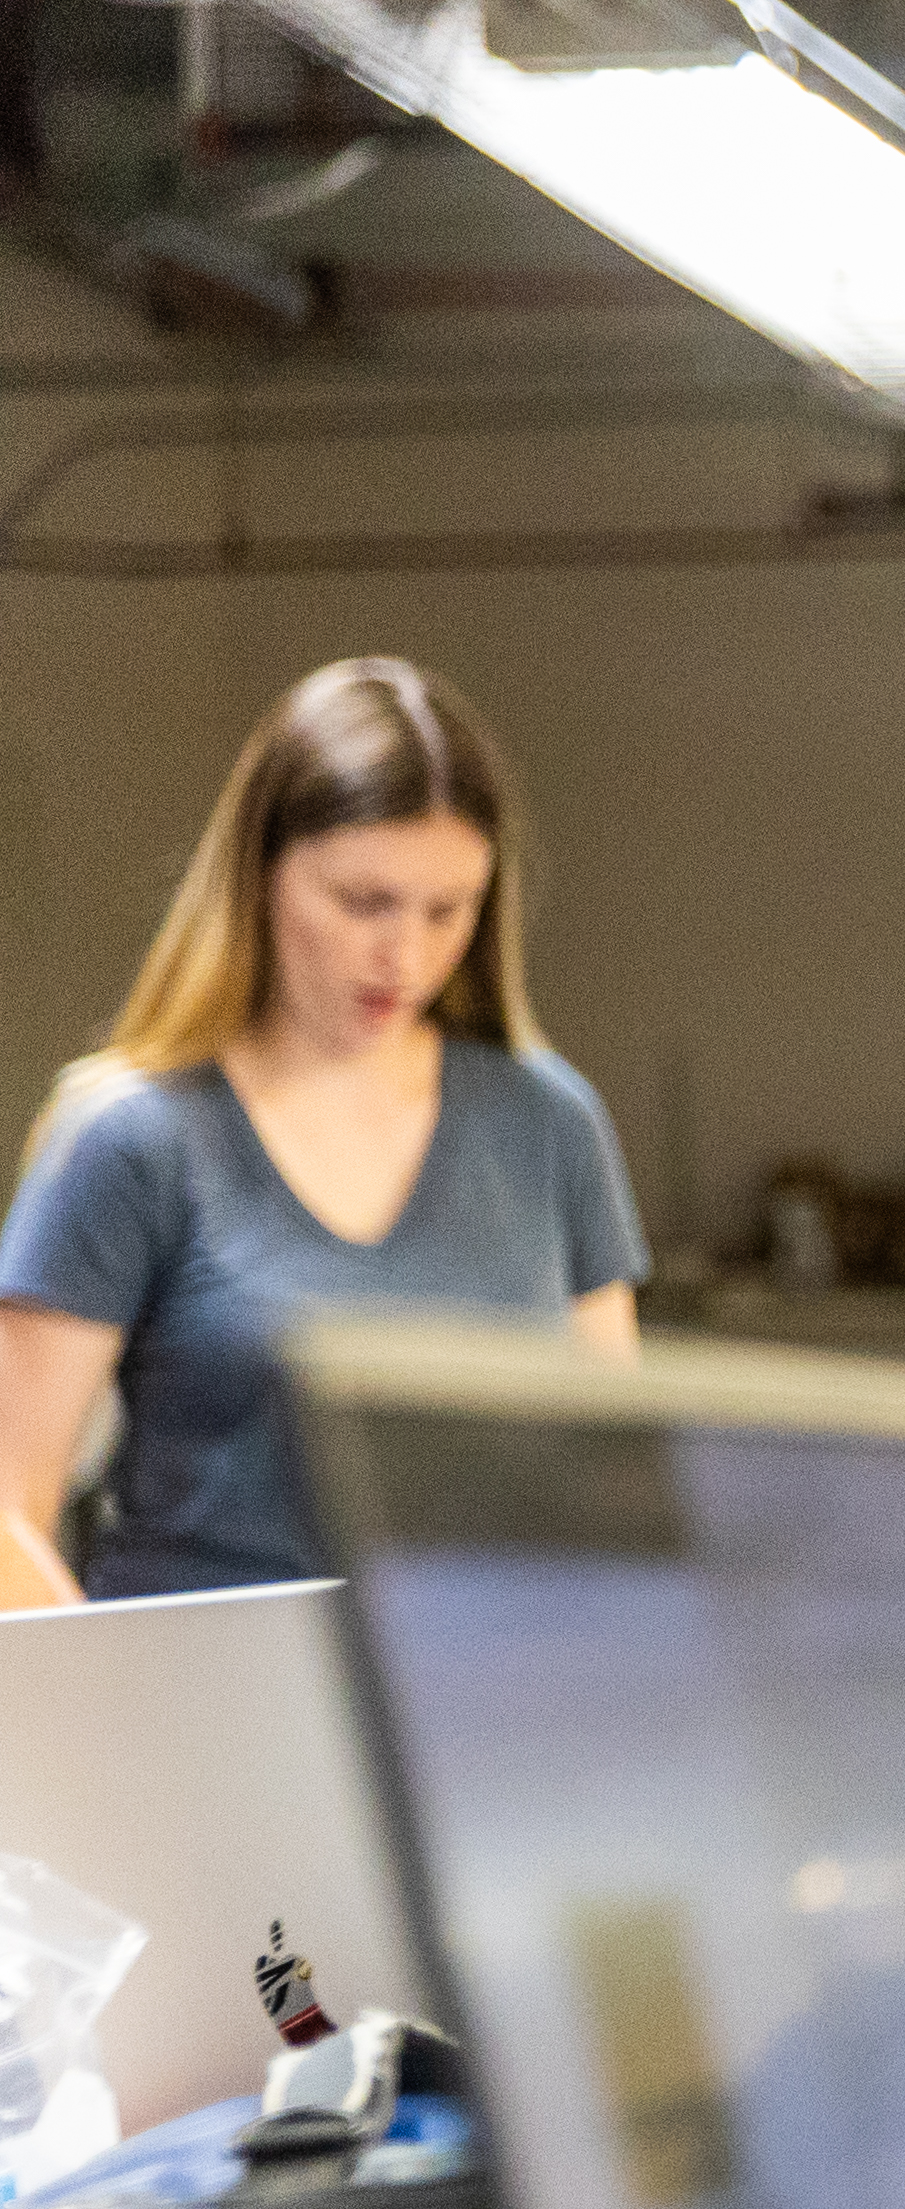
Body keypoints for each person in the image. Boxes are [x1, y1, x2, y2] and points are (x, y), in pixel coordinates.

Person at [0, 658, 641, 1607]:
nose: (406, 955)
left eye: (446, 910)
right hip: (209, 1716)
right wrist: (123, 1718)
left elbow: (615, 1482)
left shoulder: (549, 1125)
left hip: (488, 1707)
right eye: (362, 902)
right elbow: (9, 1503)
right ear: (259, 876)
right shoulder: (134, 1140)